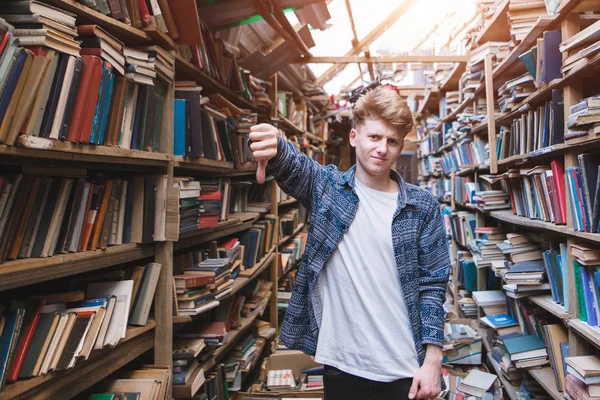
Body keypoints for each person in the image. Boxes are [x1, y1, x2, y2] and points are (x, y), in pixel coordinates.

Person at [249, 86, 450, 400]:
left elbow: (433, 287)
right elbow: (295, 166)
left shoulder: (422, 207)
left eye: (392, 141)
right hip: (342, 367)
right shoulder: (328, 189)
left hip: (404, 369)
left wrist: (433, 359)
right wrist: (273, 142)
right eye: (374, 137)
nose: (382, 148)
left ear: (400, 147)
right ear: (354, 137)